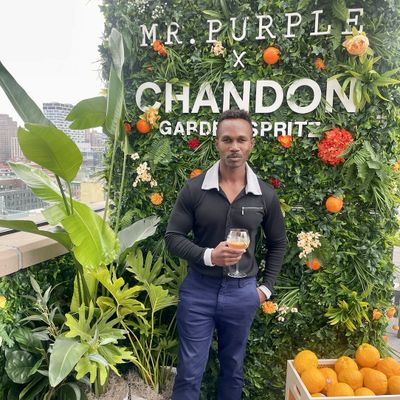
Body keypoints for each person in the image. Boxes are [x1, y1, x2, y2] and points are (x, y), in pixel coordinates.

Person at [165, 109, 287, 400]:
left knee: (233, 369)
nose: (234, 146)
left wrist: (265, 289)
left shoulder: (264, 195)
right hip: (199, 291)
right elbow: (173, 237)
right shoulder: (195, 189)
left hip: (242, 291)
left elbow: (278, 243)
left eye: (241, 140)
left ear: (251, 143)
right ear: (217, 143)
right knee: (189, 372)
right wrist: (209, 256)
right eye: (227, 139)